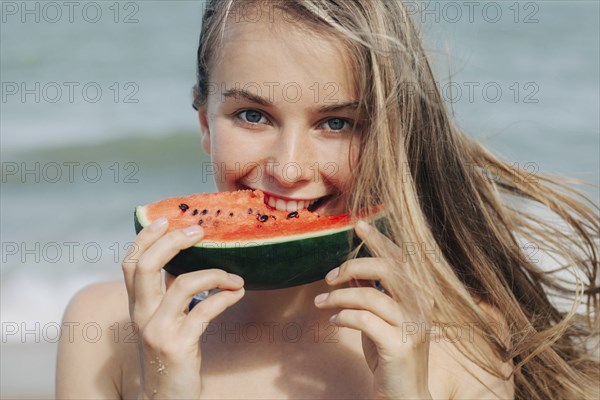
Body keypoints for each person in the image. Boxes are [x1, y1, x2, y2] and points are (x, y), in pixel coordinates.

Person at [56, 1, 599, 399]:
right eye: (252, 115)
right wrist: (165, 389)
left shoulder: (465, 342)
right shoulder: (103, 332)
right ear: (205, 123)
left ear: (389, 134)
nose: (289, 169)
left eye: (337, 123)